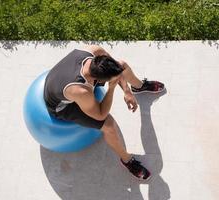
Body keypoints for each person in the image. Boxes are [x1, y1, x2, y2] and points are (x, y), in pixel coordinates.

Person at [44, 45, 165, 181]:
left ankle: (139, 86)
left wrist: (127, 91)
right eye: (109, 81)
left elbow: (118, 70)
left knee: (122, 65)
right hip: (60, 106)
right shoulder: (81, 91)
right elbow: (100, 115)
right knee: (108, 125)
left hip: (63, 82)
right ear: (100, 81)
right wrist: (112, 88)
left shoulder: (95, 51)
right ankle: (126, 160)